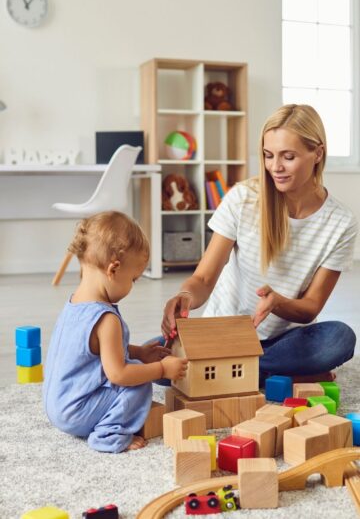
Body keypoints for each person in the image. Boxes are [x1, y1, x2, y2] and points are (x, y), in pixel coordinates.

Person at [162, 104, 357, 385]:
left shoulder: (341, 222)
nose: (275, 167)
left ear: (318, 153)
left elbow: (310, 308)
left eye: (288, 157)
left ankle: (235, 372)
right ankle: (273, 375)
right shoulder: (243, 198)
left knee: (339, 338)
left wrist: (278, 303)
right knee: (156, 357)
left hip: (283, 342)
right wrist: (184, 297)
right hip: (225, 333)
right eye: (268, 156)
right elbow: (203, 278)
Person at [43, 211, 188, 453]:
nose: (132, 286)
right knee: (139, 384)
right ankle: (109, 436)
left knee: (134, 364)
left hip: (57, 405)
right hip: (76, 412)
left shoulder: (74, 304)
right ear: (113, 269)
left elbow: (94, 350)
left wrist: (139, 352)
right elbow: (119, 374)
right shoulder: (106, 318)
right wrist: (161, 369)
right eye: (134, 278)